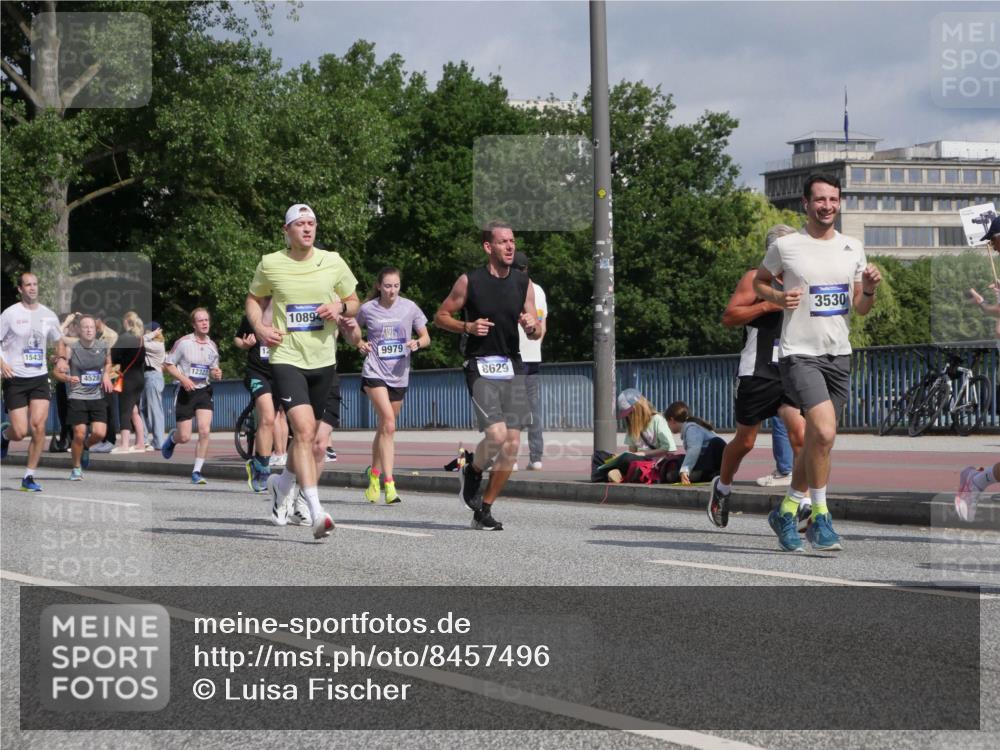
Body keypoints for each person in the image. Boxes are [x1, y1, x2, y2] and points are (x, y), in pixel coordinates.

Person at [754, 173, 881, 552]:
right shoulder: (788, 246)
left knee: (819, 440)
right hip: (799, 354)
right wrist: (777, 299)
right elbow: (760, 281)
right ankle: (821, 518)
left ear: (839, 203)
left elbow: (859, 307)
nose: (827, 206)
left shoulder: (852, 247)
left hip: (839, 354)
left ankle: (787, 509)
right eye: (820, 200)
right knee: (823, 433)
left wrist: (871, 289)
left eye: (833, 200)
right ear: (805, 204)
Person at [246, 203, 360, 541]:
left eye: (312, 223)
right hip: (286, 358)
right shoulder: (271, 263)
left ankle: (282, 485)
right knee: (305, 432)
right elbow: (253, 299)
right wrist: (260, 327)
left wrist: (339, 307)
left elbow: (354, 301)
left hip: (324, 359)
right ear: (287, 231)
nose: (308, 229)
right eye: (300, 224)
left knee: (311, 442)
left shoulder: (334, 261)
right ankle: (316, 510)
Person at [434, 220, 542, 531]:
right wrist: (467, 326)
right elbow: (441, 317)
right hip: (480, 365)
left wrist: (532, 327)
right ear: (488, 247)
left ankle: (485, 508)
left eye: (512, 241)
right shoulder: (470, 281)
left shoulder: (524, 284)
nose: (510, 247)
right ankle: (473, 469)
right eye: (503, 242)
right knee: (496, 436)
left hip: (514, 365)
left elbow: (536, 329)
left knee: (511, 446)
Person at [708, 224, 807, 528]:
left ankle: (800, 504)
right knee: (746, 441)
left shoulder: (801, 279)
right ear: (773, 252)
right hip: (758, 369)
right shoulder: (755, 279)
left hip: (791, 367)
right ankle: (722, 489)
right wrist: (768, 303)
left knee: (802, 436)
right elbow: (729, 316)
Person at [355, 267, 430, 504]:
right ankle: (390, 484)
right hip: (374, 372)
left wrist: (418, 343)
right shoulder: (368, 309)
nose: (392, 290)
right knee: (388, 423)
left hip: (399, 375)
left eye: (396, 286)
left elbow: (426, 337)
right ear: (379, 286)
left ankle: (374, 477)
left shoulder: (409, 307)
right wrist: (359, 342)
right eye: (387, 286)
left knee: (385, 429)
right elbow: (351, 329)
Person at [0, 272, 64, 491]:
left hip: (39, 378)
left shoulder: (48, 315)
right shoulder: (9, 314)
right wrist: (2, 363)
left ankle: (28, 477)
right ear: (20, 289)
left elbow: (59, 341)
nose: (32, 288)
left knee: (38, 427)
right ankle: (4, 434)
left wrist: (60, 358)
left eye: (35, 284)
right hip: (15, 378)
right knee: (19, 431)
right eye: (28, 285)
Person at [160, 308, 223, 484]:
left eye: (206, 320)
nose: (204, 323)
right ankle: (173, 439)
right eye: (200, 321)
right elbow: (168, 364)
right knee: (185, 436)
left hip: (204, 391)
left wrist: (217, 373)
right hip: (185, 392)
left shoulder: (212, 346)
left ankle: (197, 471)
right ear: (194, 324)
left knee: (204, 430)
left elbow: (213, 369)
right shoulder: (184, 343)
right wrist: (183, 379)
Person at [234, 299, 286, 493]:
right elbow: (238, 339)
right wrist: (245, 344)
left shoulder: (285, 315)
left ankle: (260, 460)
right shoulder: (253, 316)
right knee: (267, 416)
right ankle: (262, 469)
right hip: (257, 372)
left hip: (280, 372)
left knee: (277, 418)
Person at [53, 315, 113, 480]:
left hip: (97, 396)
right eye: (85, 327)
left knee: (100, 434)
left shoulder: (103, 346)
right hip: (77, 396)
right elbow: (56, 372)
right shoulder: (72, 348)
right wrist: (67, 377)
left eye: (91, 327)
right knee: (79, 433)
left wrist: (106, 375)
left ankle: (86, 447)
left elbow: (108, 363)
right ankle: (76, 468)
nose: (88, 330)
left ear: (96, 330)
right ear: (79, 330)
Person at [513, 251, 548, 471]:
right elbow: (543, 325)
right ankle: (536, 458)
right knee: (533, 409)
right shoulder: (539, 291)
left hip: (513, 356)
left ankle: (511, 458)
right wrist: (536, 345)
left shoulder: (509, 287)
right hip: (533, 357)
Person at [662, 401, 726, 485]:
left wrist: (685, 470)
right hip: (710, 462)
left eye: (667, 422)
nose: (668, 426)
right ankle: (704, 475)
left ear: (672, 420)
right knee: (680, 459)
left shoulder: (691, 428)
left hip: (715, 461)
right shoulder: (692, 426)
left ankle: (705, 474)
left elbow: (694, 449)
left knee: (677, 469)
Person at [110, 311, 147, 452]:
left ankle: (124, 444)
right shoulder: (141, 339)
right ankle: (140, 443)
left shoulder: (125, 338)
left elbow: (114, 357)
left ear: (126, 322)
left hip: (128, 378)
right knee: (134, 411)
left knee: (124, 411)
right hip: (139, 378)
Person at [142, 322, 166, 450]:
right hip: (148, 376)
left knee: (154, 409)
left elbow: (140, 341)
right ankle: (144, 439)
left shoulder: (156, 345)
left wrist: (152, 333)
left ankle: (159, 441)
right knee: (142, 409)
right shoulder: (154, 344)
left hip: (153, 376)